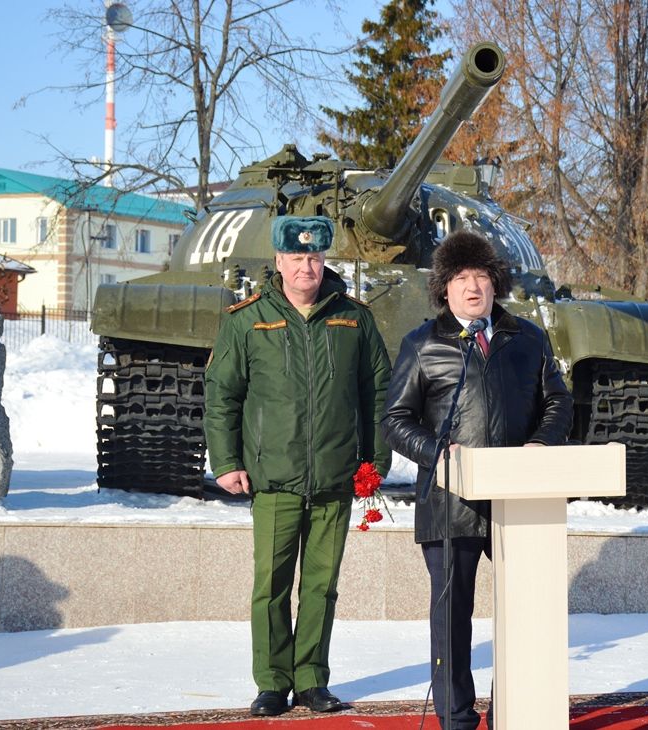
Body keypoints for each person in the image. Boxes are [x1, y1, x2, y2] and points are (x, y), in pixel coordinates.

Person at [382, 230, 574, 729]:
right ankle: (458, 719)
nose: (473, 287)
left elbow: (558, 401)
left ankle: (516, 709)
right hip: (452, 502)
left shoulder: (527, 338)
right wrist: (437, 452)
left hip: (520, 501)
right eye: (461, 278)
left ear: (496, 283)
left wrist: (540, 446)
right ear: (444, 288)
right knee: (452, 621)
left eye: (482, 276)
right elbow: (396, 419)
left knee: (525, 616)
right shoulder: (422, 344)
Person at [204, 215, 392, 717]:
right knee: (271, 585)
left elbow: (377, 392)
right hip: (273, 477)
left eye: (313, 257)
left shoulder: (353, 319)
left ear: (324, 260)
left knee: (321, 585)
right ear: (278, 263)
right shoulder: (247, 319)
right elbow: (222, 394)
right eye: (296, 258)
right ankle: (271, 682)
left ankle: (311, 680)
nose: (306, 266)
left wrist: (374, 462)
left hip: (335, 476)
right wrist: (225, 461)